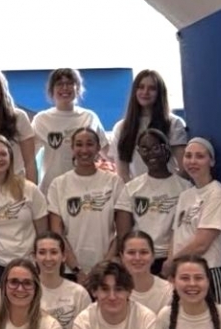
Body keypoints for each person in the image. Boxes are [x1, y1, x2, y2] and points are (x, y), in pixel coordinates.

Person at [47, 127, 133, 280]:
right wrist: (77, 270)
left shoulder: (114, 182)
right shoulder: (58, 185)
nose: (84, 149)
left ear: (98, 148)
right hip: (69, 270)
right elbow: (57, 233)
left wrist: (103, 266)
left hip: (107, 269)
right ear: (72, 148)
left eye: (90, 144)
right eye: (79, 144)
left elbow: (122, 232)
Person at [0, 137, 48, 285]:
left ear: (10, 158)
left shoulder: (30, 189)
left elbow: (43, 234)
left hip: (27, 265)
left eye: (3, 154)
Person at [168, 138, 221, 304]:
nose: (193, 161)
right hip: (181, 270)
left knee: (215, 323)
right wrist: (171, 266)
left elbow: (202, 244)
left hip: (207, 271)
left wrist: (172, 262)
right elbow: (176, 235)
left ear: (211, 161)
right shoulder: (185, 195)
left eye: (199, 156)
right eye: (188, 156)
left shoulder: (217, 194)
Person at [33, 68, 109, 194]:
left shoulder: (89, 117)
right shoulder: (42, 119)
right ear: (52, 90)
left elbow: (107, 151)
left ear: (77, 88)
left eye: (69, 83)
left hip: (85, 189)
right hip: (51, 190)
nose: (65, 88)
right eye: (59, 84)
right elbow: (28, 157)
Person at [125, 129, 191, 275]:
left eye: (155, 148)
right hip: (140, 258)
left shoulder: (185, 187)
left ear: (165, 147)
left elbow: (183, 228)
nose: (151, 154)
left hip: (172, 258)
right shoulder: (131, 188)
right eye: (144, 149)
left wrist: (172, 258)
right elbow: (125, 229)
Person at [108, 70, 188, 182]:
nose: (145, 92)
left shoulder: (174, 123)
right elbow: (123, 174)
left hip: (171, 194)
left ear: (160, 93)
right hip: (137, 195)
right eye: (141, 87)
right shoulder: (121, 128)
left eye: (152, 88)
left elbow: (183, 167)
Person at [33, 232, 92, 329]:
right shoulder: (27, 291)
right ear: (34, 257)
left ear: (64, 256)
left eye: (54, 252)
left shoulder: (79, 293)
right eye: (42, 252)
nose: (48, 258)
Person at [120, 231, 172, 314]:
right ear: (122, 257)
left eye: (144, 252)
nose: (137, 258)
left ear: (153, 256)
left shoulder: (168, 291)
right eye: (131, 252)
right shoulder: (114, 291)